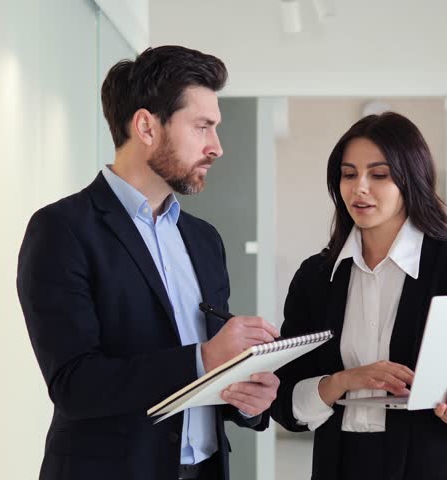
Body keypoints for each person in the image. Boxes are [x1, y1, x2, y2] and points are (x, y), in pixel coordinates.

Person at [17, 45, 280, 480]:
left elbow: (210, 372)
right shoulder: (61, 230)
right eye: (202, 127)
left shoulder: (204, 239)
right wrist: (205, 358)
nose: (216, 147)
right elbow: (74, 385)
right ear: (146, 126)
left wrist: (248, 397)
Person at [271, 112, 447, 480]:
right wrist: (343, 381)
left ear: (410, 180)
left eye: (379, 175)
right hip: (339, 465)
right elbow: (285, 402)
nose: (359, 187)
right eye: (349, 174)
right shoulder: (315, 277)